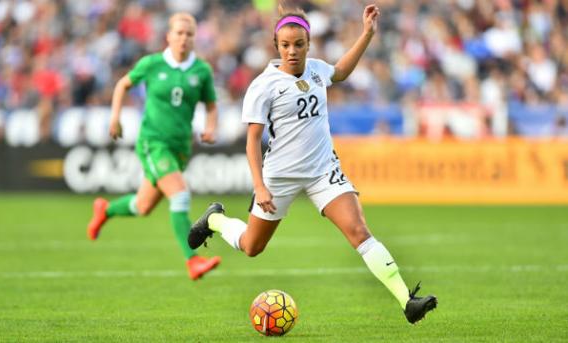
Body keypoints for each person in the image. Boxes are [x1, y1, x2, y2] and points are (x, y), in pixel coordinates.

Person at [188, 4, 437, 323]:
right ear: (276, 46)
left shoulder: (318, 69)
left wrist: (366, 34)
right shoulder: (264, 86)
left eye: (299, 45)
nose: (292, 51)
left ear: (308, 44)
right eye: (286, 45)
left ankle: (407, 300)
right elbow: (252, 141)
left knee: (359, 231)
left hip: (323, 172)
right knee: (251, 246)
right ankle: (215, 221)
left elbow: (342, 71)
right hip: (280, 177)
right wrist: (259, 186)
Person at [87, 13, 221, 281]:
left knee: (142, 206)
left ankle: (105, 210)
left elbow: (211, 104)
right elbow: (123, 84)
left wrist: (211, 126)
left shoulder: (201, 71)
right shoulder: (152, 64)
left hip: (180, 147)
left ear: (195, 38)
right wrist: (115, 117)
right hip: (152, 143)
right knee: (180, 195)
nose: (184, 38)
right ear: (168, 36)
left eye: (189, 34)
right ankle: (192, 261)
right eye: (179, 33)